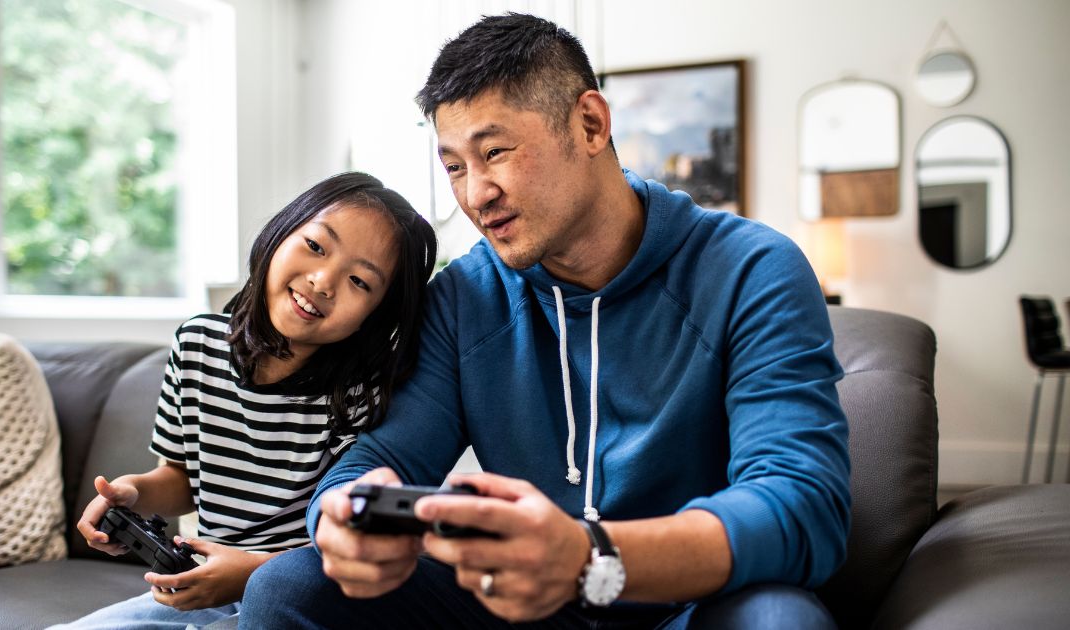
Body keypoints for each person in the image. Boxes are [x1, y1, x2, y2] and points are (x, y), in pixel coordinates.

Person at [241, 13, 850, 630]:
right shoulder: (462, 296)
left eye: (495, 152)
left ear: (590, 124)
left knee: (781, 620)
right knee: (291, 585)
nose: (476, 194)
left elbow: (802, 505)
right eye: (454, 166)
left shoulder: (753, 268)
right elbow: (384, 455)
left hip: (690, 605)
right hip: (518, 610)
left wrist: (590, 557)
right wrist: (340, 517)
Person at [51, 172, 437, 629]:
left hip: (304, 595)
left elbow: (352, 536)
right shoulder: (196, 344)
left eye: (358, 280)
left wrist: (252, 572)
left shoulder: (361, 392)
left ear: (376, 315)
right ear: (280, 232)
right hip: (202, 587)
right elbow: (180, 478)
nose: (322, 280)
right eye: (315, 246)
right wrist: (133, 493)